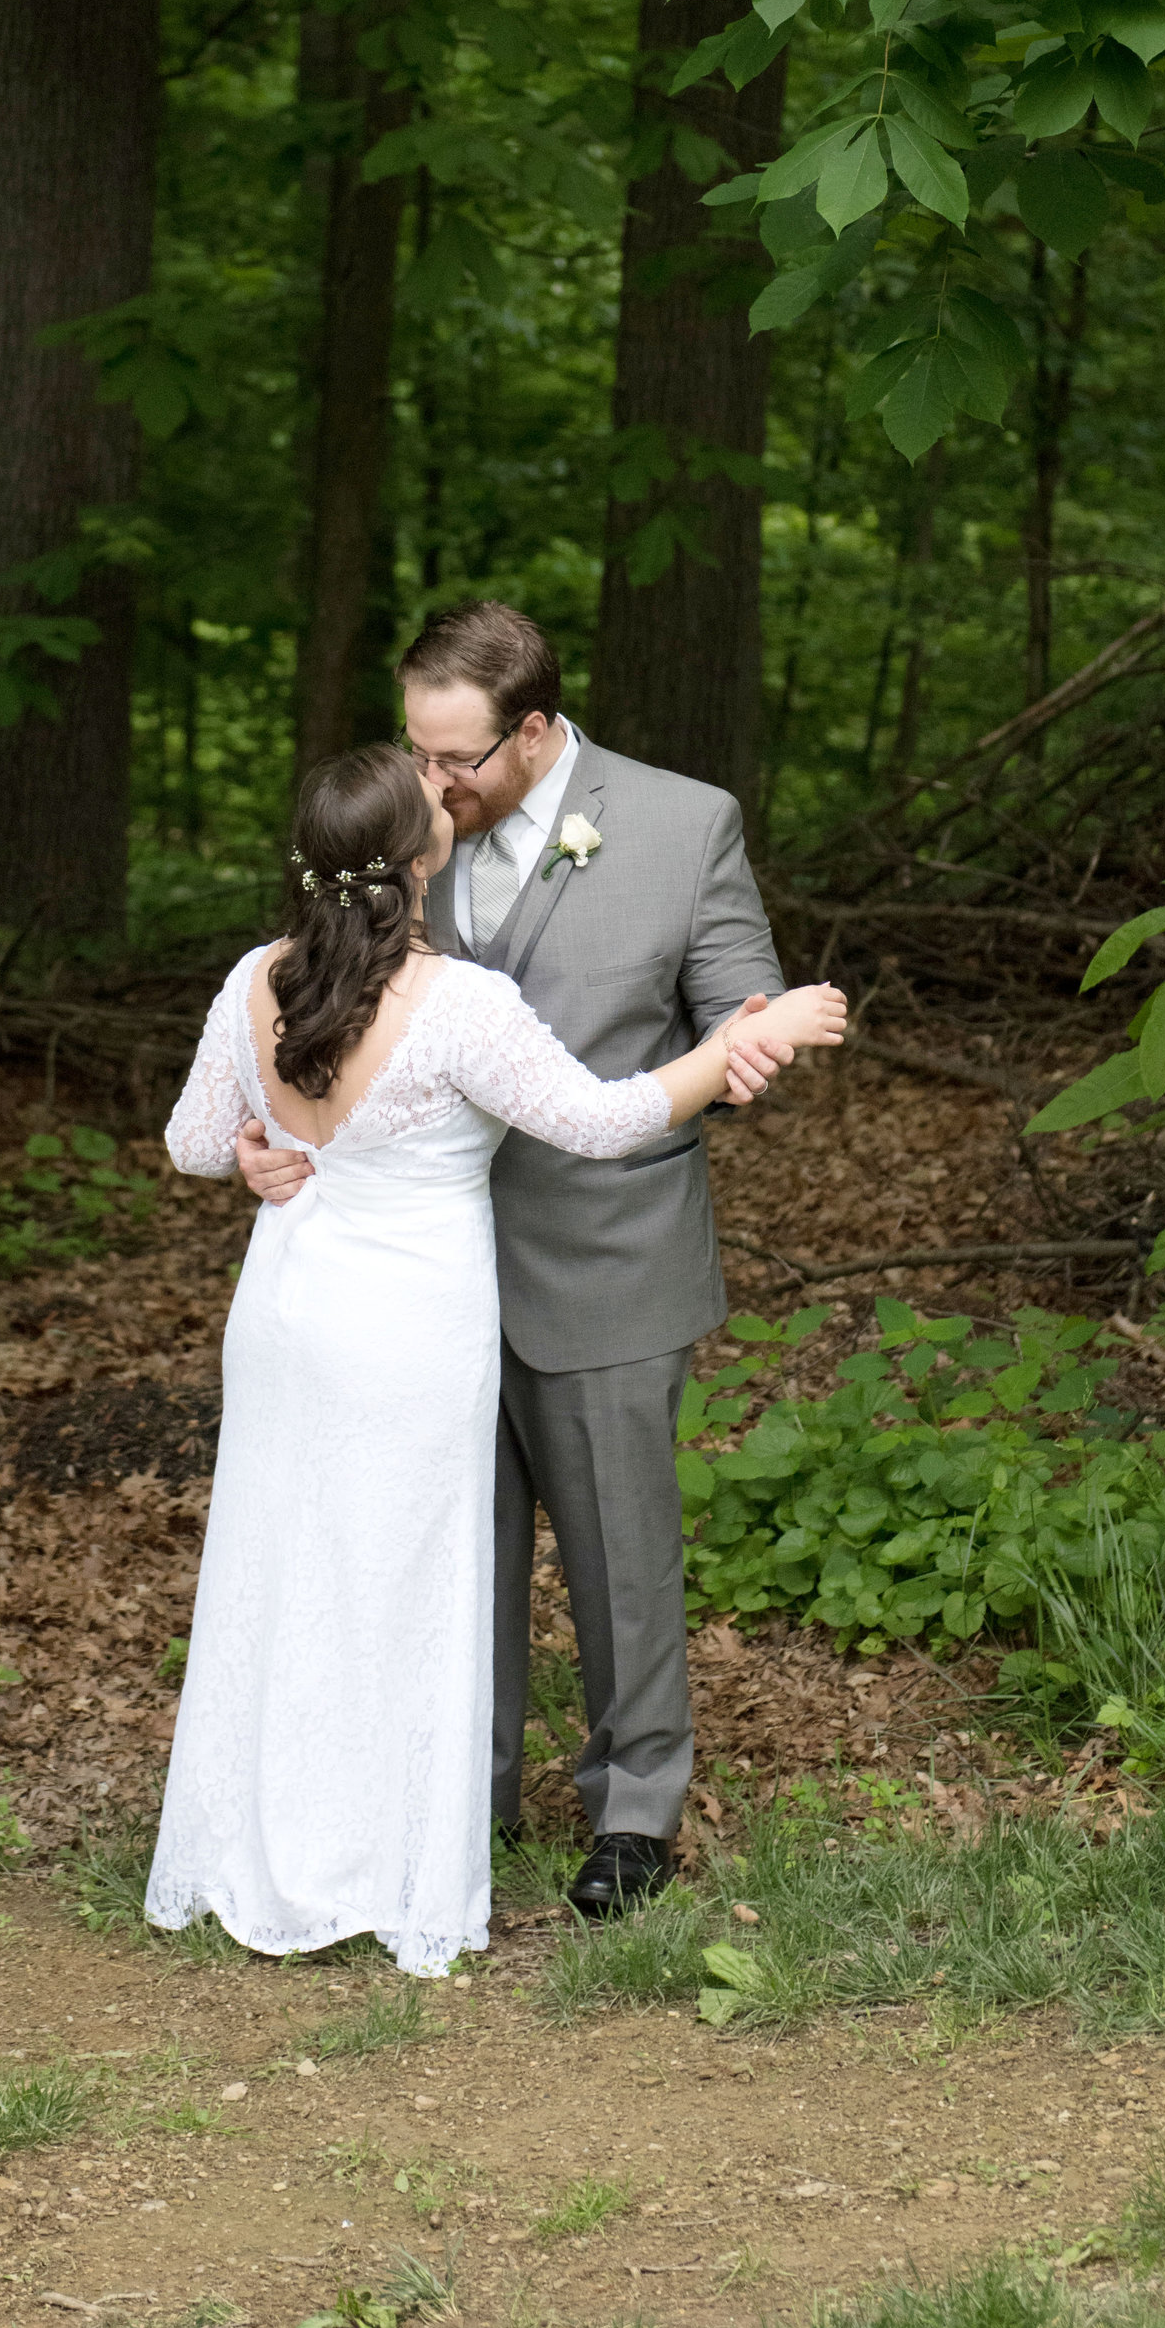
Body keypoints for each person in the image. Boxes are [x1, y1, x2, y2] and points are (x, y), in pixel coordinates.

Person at [152, 738, 844, 1978]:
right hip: (412, 1324)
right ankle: (392, 1853)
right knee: (409, 1572)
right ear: (423, 859)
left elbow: (194, 1140)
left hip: (289, 1313)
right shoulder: (454, 1000)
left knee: (293, 1564)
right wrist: (759, 1029)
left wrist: (260, 1146)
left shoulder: (256, 976)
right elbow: (604, 1117)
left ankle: (278, 1839)